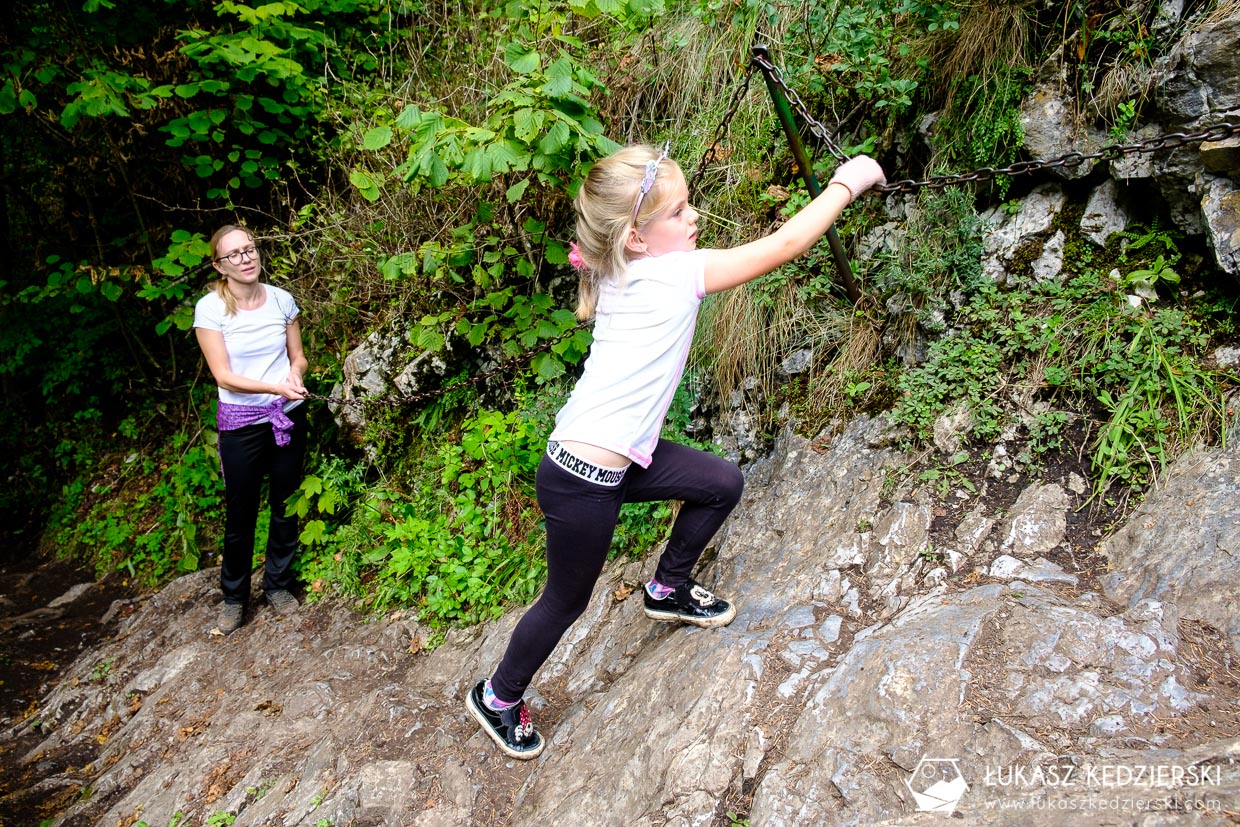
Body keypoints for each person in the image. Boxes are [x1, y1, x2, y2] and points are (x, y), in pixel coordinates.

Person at [466, 144, 886, 758]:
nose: (694, 217)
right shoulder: (670, 272)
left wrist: (656, 209)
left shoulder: (619, 264)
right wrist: (848, 183)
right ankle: (498, 696)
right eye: (679, 211)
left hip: (620, 456)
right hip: (582, 477)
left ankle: (667, 589)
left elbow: (632, 235)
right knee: (566, 599)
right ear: (636, 237)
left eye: (689, 204)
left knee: (720, 483)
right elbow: (785, 245)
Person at [193, 225, 309, 636]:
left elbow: (298, 357)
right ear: (219, 266)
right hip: (242, 424)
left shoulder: (281, 300)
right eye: (234, 254)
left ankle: (277, 585)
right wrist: (274, 386)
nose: (246, 258)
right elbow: (224, 376)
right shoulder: (210, 309)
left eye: (250, 249)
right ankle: (234, 599)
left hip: (288, 414)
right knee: (241, 513)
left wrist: (293, 376)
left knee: (284, 503)